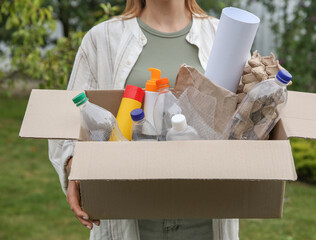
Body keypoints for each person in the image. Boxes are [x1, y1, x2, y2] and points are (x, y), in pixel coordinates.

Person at [48, 0, 240, 239]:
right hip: (127, 213)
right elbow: (68, 118)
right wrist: (74, 165)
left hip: (206, 216)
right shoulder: (102, 39)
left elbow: (244, 118)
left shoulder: (223, 35)